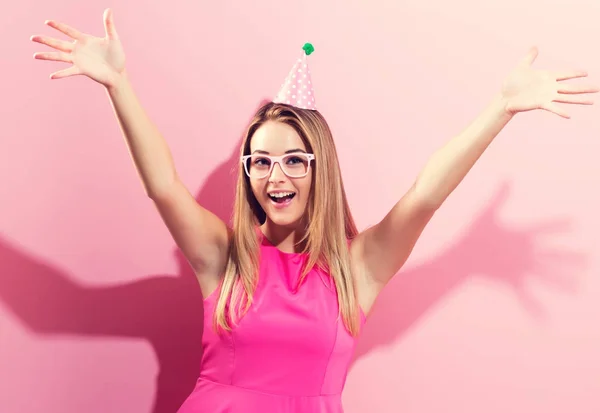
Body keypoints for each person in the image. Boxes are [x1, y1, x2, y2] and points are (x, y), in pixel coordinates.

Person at [31, 8, 598, 413]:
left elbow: (426, 193)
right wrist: (118, 85)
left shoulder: (358, 269)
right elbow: (162, 185)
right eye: (259, 162)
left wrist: (500, 109)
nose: (274, 176)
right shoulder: (224, 256)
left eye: (293, 160)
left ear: (319, 168)